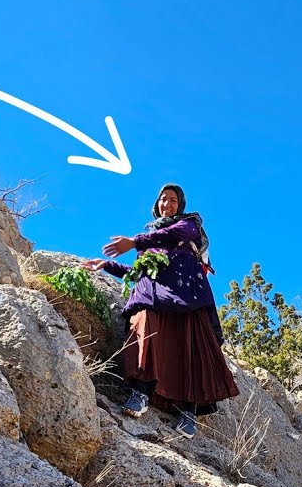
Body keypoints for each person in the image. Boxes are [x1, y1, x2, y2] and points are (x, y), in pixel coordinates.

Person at [84, 183, 239, 438]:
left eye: (173, 200)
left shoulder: (190, 224)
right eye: (163, 199)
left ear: (181, 206)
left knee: (190, 349)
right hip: (156, 294)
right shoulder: (148, 243)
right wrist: (107, 265)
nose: (167, 204)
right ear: (156, 205)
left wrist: (134, 242)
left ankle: (189, 411)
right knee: (144, 326)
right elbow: (140, 272)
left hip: (188, 294)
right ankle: (141, 393)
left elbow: (173, 234)